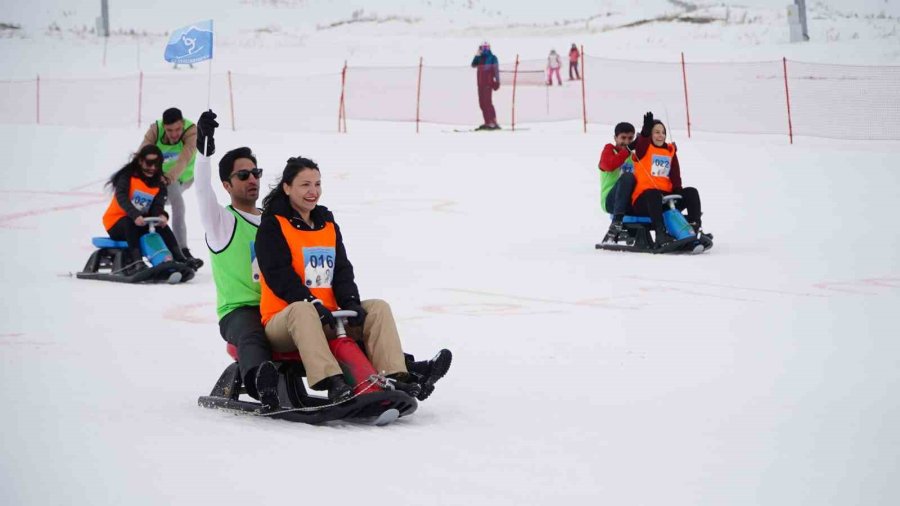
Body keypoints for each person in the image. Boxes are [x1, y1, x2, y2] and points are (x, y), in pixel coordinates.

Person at [255, 157, 452, 403]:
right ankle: (333, 381)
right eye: (305, 184)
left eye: (317, 184)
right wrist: (311, 302)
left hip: (326, 316)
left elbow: (342, 270)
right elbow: (278, 274)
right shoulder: (273, 225)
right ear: (287, 187)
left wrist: (350, 302)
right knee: (303, 311)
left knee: (377, 308)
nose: (313, 191)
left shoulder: (326, 223)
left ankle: (394, 375)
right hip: (284, 321)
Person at [192, 110, 279, 409]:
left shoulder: (272, 220)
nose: (252, 179)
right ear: (227, 185)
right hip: (239, 312)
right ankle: (260, 382)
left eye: (256, 173)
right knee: (252, 332)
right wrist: (203, 151)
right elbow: (202, 191)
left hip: (277, 306)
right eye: (243, 175)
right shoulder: (222, 223)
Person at [101, 145, 199, 274]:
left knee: (162, 226)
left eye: (156, 164)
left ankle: (180, 258)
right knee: (129, 224)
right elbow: (122, 197)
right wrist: (135, 215)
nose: (152, 168)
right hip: (117, 222)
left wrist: (161, 216)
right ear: (141, 161)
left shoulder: (159, 183)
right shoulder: (128, 176)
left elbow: (157, 206)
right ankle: (137, 262)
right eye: (149, 163)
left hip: (142, 222)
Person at [138, 107, 202, 268]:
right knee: (145, 206)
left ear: (182, 124)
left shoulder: (191, 131)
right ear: (164, 127)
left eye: (178, 129)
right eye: (170, 130)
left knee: (178, 203)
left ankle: (183, 250)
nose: (174, 134)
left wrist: (167, 179)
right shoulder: (155, 130)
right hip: (159, 178)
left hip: (181, 178)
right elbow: (141, 154)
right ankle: (144, 249)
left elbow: (183, 160)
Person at [630, 111, 702, 247]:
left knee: (691, 192)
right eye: (656, 132)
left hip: (666, 199)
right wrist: (645, 132)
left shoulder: (670, 150)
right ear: (650, 134)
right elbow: (642, 142)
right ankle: (660, 234)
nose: (660, 135)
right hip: (644, 200)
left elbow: (675, 174)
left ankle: (694, 228)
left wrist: (678, 190)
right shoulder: (643, 149)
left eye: (663, 132)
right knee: (654, 194)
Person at [599, 122, 637, 245]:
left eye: (630, 138)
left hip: (628, 202)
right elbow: (608, 165)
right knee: (627, 177)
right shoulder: (609, 151)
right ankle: (616, 224)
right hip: (611, 201)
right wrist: (626, 151)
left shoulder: (634, 157)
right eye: (623, 138)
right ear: (615, 138)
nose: (626, 142)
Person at [470, 41, 501, 130]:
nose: (485, 49)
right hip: (480, 84)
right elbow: (473, 65)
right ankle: (487, 122)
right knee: (482, 103)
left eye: (487, 47)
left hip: (488, 83)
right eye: (483, 47)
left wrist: (497, 81)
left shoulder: (493, 57)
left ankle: (493, 122)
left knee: (488, 103)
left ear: (489, 48)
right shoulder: (480, 58)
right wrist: (477, 54)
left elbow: (496, 70)